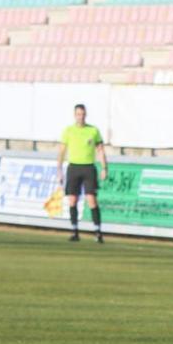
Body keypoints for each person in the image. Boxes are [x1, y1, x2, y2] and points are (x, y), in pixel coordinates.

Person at [56, 104, 107, 243]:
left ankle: (97, 231)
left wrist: (104, 167)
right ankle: (74, 230)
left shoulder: (93, 131)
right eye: (78, 114)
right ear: (75, 115)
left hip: (88, 168)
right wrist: (59, 169)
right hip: (73, 167)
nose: (81, 116)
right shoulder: (68, 131)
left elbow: (100, 150)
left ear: (86, 115)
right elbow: (61, 150)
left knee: (91, 199)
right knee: (72, 199)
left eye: (83, 114)